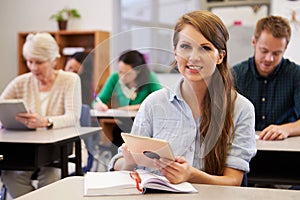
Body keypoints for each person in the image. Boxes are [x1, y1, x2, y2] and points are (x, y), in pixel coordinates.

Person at [108, 10, 257, 186]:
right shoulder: (153, 104)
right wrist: (129, 161)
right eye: (185, 46)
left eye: (205, 48)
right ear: (175, 52)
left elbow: (233, 181)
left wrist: (191, 175)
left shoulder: (241, 108)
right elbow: (117, 164)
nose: (193, 57)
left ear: (220, 56)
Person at [0, 32, 82, 198]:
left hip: (58, 151)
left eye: (39, 62)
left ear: (53, 60)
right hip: (27, 150)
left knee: (51, 178)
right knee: (10, 175)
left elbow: (73, 116)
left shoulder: (70, 80)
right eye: (30, 61)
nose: (34, 67)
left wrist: (46, 122)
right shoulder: (21, 82)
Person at [232, 16, 300, 141]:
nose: (269, 58)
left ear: (285, 48)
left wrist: (286, 129)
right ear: (254, 42)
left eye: (276, 53)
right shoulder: (235, 75)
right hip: (244, 147)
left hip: (285, 149)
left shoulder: (296, 75)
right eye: (264, 51)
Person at [92, 50, 162, 149]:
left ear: (138, 71)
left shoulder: (150, 77)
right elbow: (98, 100)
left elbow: (160, 102)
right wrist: (98, 105)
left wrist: (132, 108)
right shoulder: (114, 78)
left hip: (146, 125)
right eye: (120, 72)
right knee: (117, 135)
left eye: (127, 73)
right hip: (124, 123)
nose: (122, 76)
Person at [65, 51, 99, 173]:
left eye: (74, 71)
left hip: (75, 147)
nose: (69, 73)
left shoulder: (83, 92)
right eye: (68, 67)